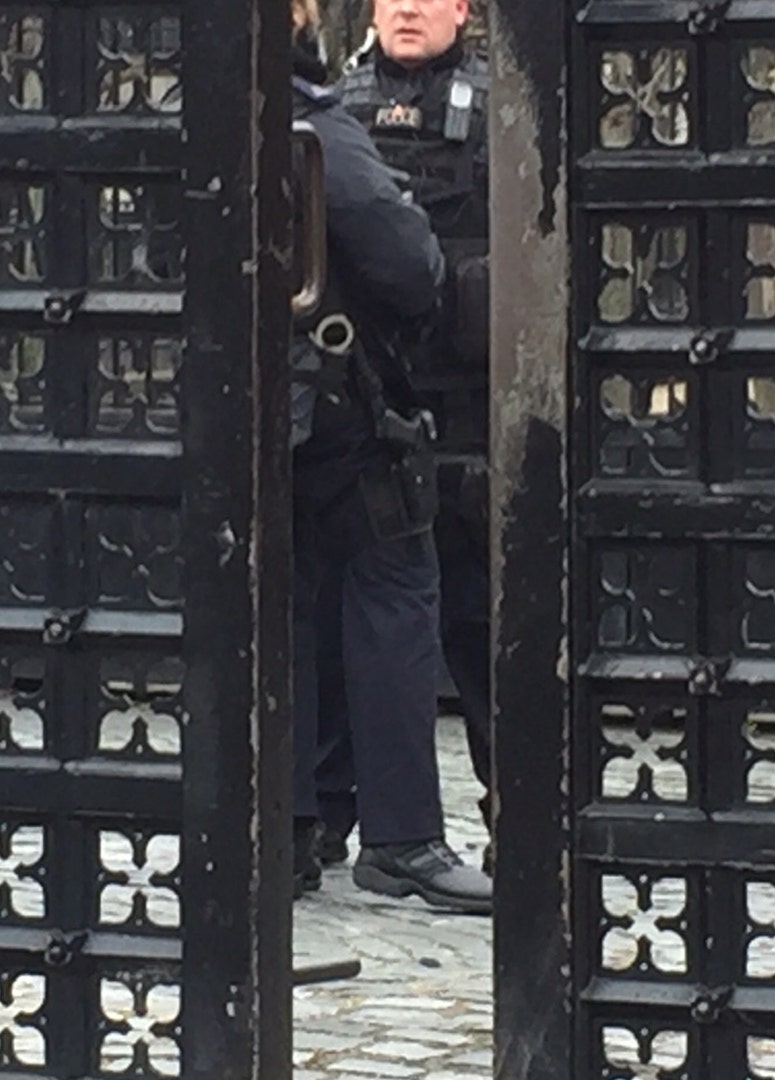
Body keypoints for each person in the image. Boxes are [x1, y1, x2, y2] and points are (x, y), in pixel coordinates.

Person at [288, 0, 493, 915]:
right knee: (369, 602)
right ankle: (373, 829)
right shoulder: (331, 111)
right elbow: (405, 259)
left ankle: (305, 824)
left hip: (445, 394)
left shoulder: (494, 106)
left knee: (470, 625)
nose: (406, 7)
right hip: (358, 391)